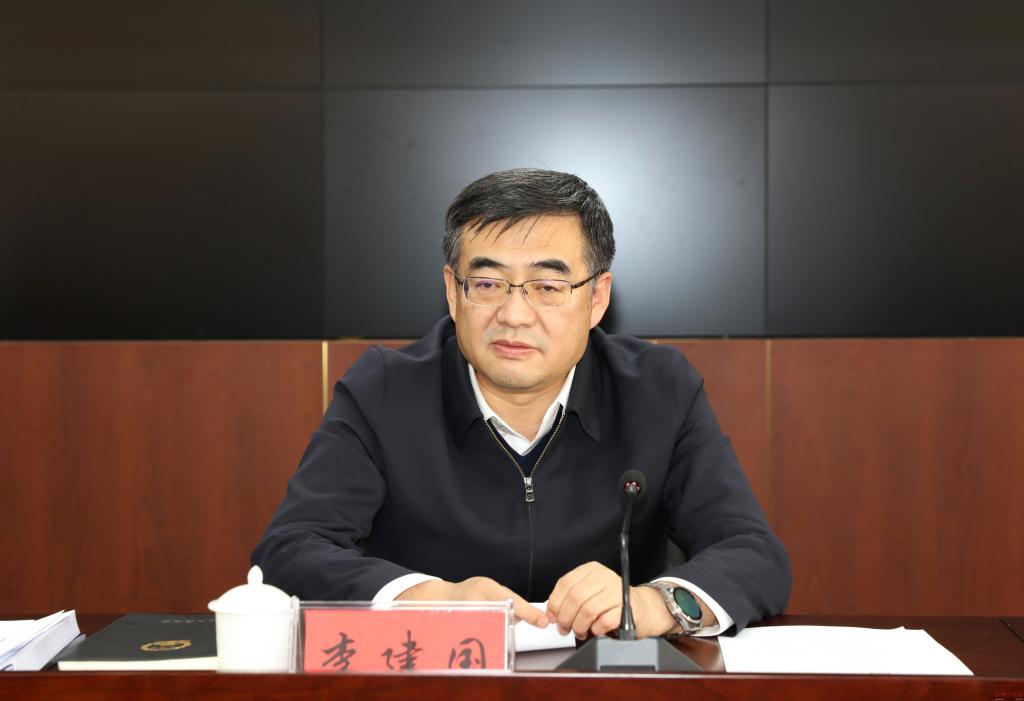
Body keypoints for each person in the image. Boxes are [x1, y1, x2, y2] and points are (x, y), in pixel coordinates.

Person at [253, 168, 790, 640]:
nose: (513, 314)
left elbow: (753, 553)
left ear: (597, 298)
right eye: (488, 283)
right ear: (453, 290)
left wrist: (655, 604)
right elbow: (290, 551)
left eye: (548, 287)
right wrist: (432, 598)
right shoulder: (384, 391)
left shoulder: (657, 391)